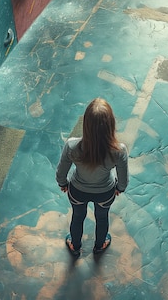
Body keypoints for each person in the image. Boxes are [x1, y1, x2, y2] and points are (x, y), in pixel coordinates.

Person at [56, 98, 129, 258]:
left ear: (85, 124)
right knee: (102, 218)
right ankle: (99, 245)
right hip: (105, 193)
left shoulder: (72, 146)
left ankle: (74, 245)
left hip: (77, 191)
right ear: (111, 125)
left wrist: (63, 183)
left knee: (78, 216)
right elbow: (123, 179)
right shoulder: (119, 151)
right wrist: (119, 188)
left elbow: (61, 172)